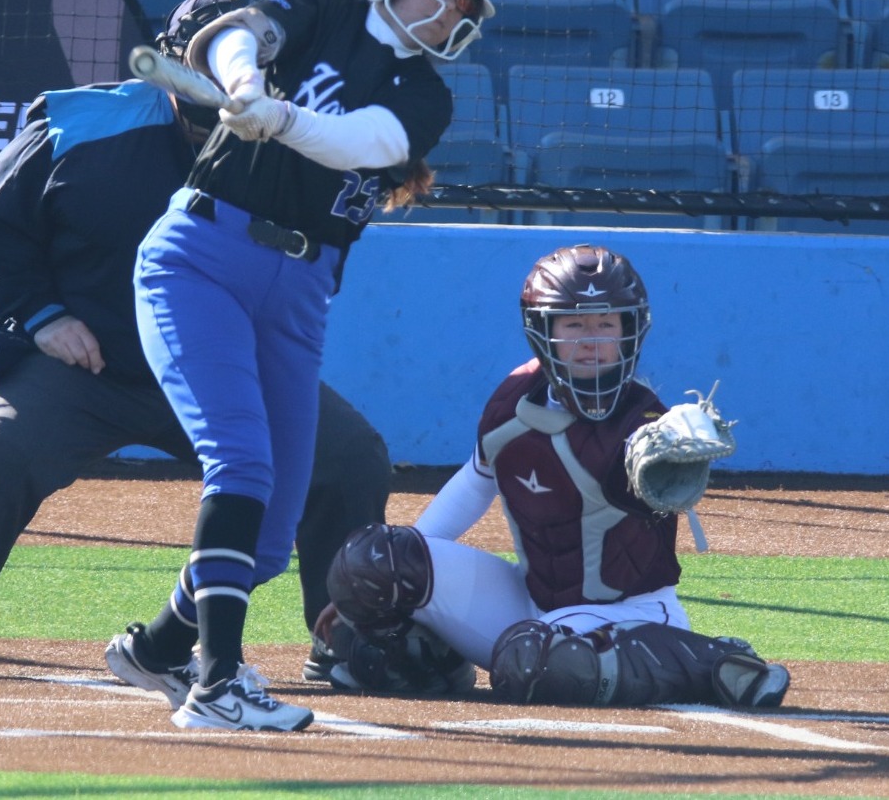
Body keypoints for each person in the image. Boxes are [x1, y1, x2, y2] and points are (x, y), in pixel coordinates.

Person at [0, 0, 393, 681]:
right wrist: (43, 317)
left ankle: (344, 642)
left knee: (349, 456)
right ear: (176, 61)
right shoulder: (83, 121)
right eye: (204, 52)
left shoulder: (297, 134)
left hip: (225, 364)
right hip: (92, 365)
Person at [102, 0, 499, 732]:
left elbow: (363, 143)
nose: (452, 10)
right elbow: (234, 34)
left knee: (275, 529)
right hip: (204, 256)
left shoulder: (427, 95)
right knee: (241, 467)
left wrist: (281, 121)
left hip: (302, 287)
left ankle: (155, 649)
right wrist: (245, 84)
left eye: (465, 2)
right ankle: (215, 683)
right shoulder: (326, 7)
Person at [318, 244, 792, 711]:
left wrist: (670, 464)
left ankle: (710, 660)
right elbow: (473, 483)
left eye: (607, 324)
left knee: (530, 662)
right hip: (529, 603)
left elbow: (657, 473)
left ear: (630, 330)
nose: (592, 339)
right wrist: (387, 593)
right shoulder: (513, 402)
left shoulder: (644, 421)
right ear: (542, 330)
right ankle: (435, 668)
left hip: (632, 615)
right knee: (370, 559)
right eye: (574, 324)